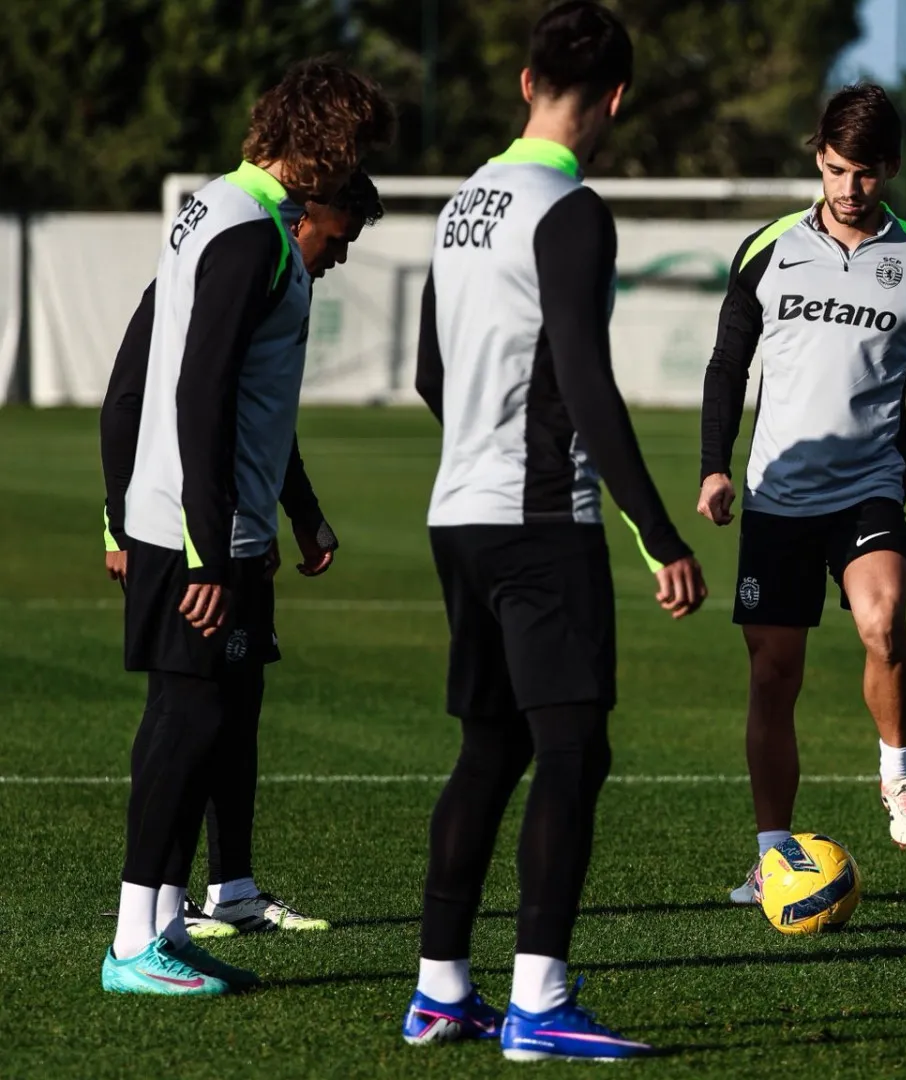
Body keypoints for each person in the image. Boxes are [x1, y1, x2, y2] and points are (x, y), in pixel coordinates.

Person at [405, 1, 703, 1061]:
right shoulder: (571, 211)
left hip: (457, 513)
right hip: (538, 523)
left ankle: (440, 988)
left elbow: (429, 372)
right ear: (616, 99)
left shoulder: (462, 204)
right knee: (574, 749)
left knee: (492, 746)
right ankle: (539, 999)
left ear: (526, 82)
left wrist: (482, 452)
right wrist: (660, 531)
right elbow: (583, 379)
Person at [97, 59, 391, 998]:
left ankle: (161, 928)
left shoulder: (223, 210)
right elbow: (200, 391)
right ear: (323, 145)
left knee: (199, 720)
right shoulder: (245, 229)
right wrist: (209, 549)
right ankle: (132, 945)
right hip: (199, 533)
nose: (357, 167)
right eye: (355, 149)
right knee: (186, 721)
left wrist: (285, 513)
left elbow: (224, 391)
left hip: (204, 525)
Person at [697, 82, 906, 905]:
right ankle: (772, 856)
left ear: (890, 168)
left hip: (868, 491)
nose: (848, 188)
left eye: (864, 173)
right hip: (775, 494)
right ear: (819, 160)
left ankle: (896, 774)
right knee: (774, 676)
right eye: (835, 169)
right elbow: (728, 365)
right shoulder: (767, 249)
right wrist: (714, 467)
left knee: (882, 621)